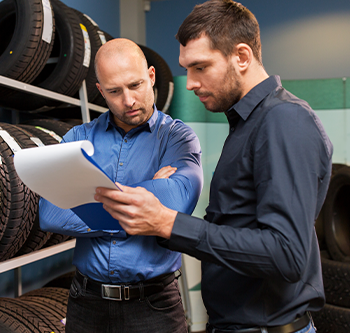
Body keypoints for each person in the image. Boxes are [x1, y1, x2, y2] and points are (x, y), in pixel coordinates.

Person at [94, 1, 334, 333]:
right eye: (186, 68)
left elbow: (286, 255)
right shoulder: (247, 124)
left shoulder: (283, 120)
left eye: (200, 67)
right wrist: (157, 221)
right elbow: (235, 226)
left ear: (242, 57)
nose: (190, 83)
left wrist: (168, 223)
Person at [39, 38, 203, 333]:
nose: (128, 100)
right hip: (87, 302)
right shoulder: (77, 138)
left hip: (154, 305)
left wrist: (90, 201)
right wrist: (147, 199)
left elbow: (178, 200)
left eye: (136, 85)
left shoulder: (178, 138)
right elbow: (51, 213)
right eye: (114, 91)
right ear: (101, 91)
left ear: (151, 77)